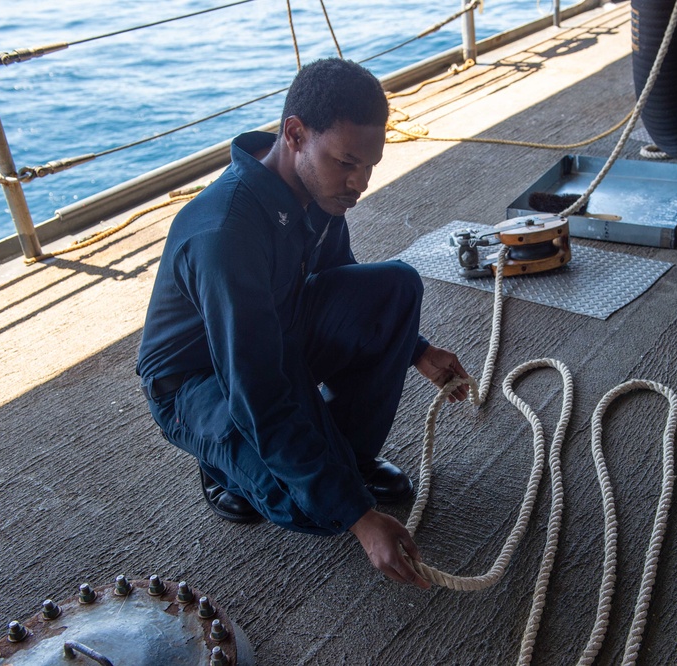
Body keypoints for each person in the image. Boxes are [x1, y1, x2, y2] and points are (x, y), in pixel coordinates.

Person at [136, 58, 470, 589]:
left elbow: (341, 280)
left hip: (279, 329)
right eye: (346, 163)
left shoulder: (319, 190)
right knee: (316, 508)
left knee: (396, 287)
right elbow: (258, 392)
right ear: (294, 134)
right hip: (202, 378)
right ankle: (224, 465)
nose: (358, 183)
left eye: (369, 166)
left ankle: (347, 462)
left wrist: (417, 349)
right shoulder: (226, 235)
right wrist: (359, 520)